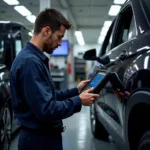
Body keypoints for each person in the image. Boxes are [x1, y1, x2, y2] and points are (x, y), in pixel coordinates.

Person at [10, 8, 99, 150]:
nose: (60, 43)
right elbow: (46, 110)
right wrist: (79, 101)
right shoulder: (30, 63)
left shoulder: (34, 60)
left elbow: (48, 98)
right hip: (39, 142)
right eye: (59, 37)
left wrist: (76, 91)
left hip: (42, 138)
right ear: (46, 31)